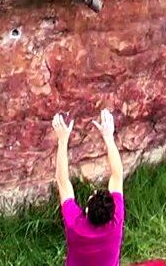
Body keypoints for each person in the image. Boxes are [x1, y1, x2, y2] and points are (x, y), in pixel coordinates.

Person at [53, 109, 125, 266]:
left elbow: (62, 181)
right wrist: (108, 137)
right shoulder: (116, 221)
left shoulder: (75, 224)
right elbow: (117, 175)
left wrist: (62, 140)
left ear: (86, 211)